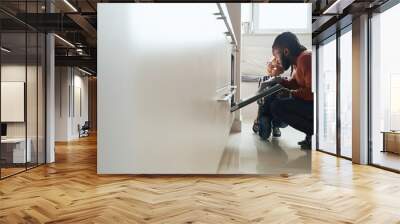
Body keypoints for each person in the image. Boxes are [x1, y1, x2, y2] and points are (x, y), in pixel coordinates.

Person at [264, 31, 313, 149]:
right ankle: (311, 135)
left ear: (286, 52)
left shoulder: (305, 58)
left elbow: (312, 93)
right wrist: (280, 81)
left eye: (277, 56)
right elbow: (296, 83)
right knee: (276, 98)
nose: (277, 60)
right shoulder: (297, 61)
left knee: (278, 107)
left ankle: (315, 134)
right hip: (310, 105)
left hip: (316, 107)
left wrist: (290, 93)